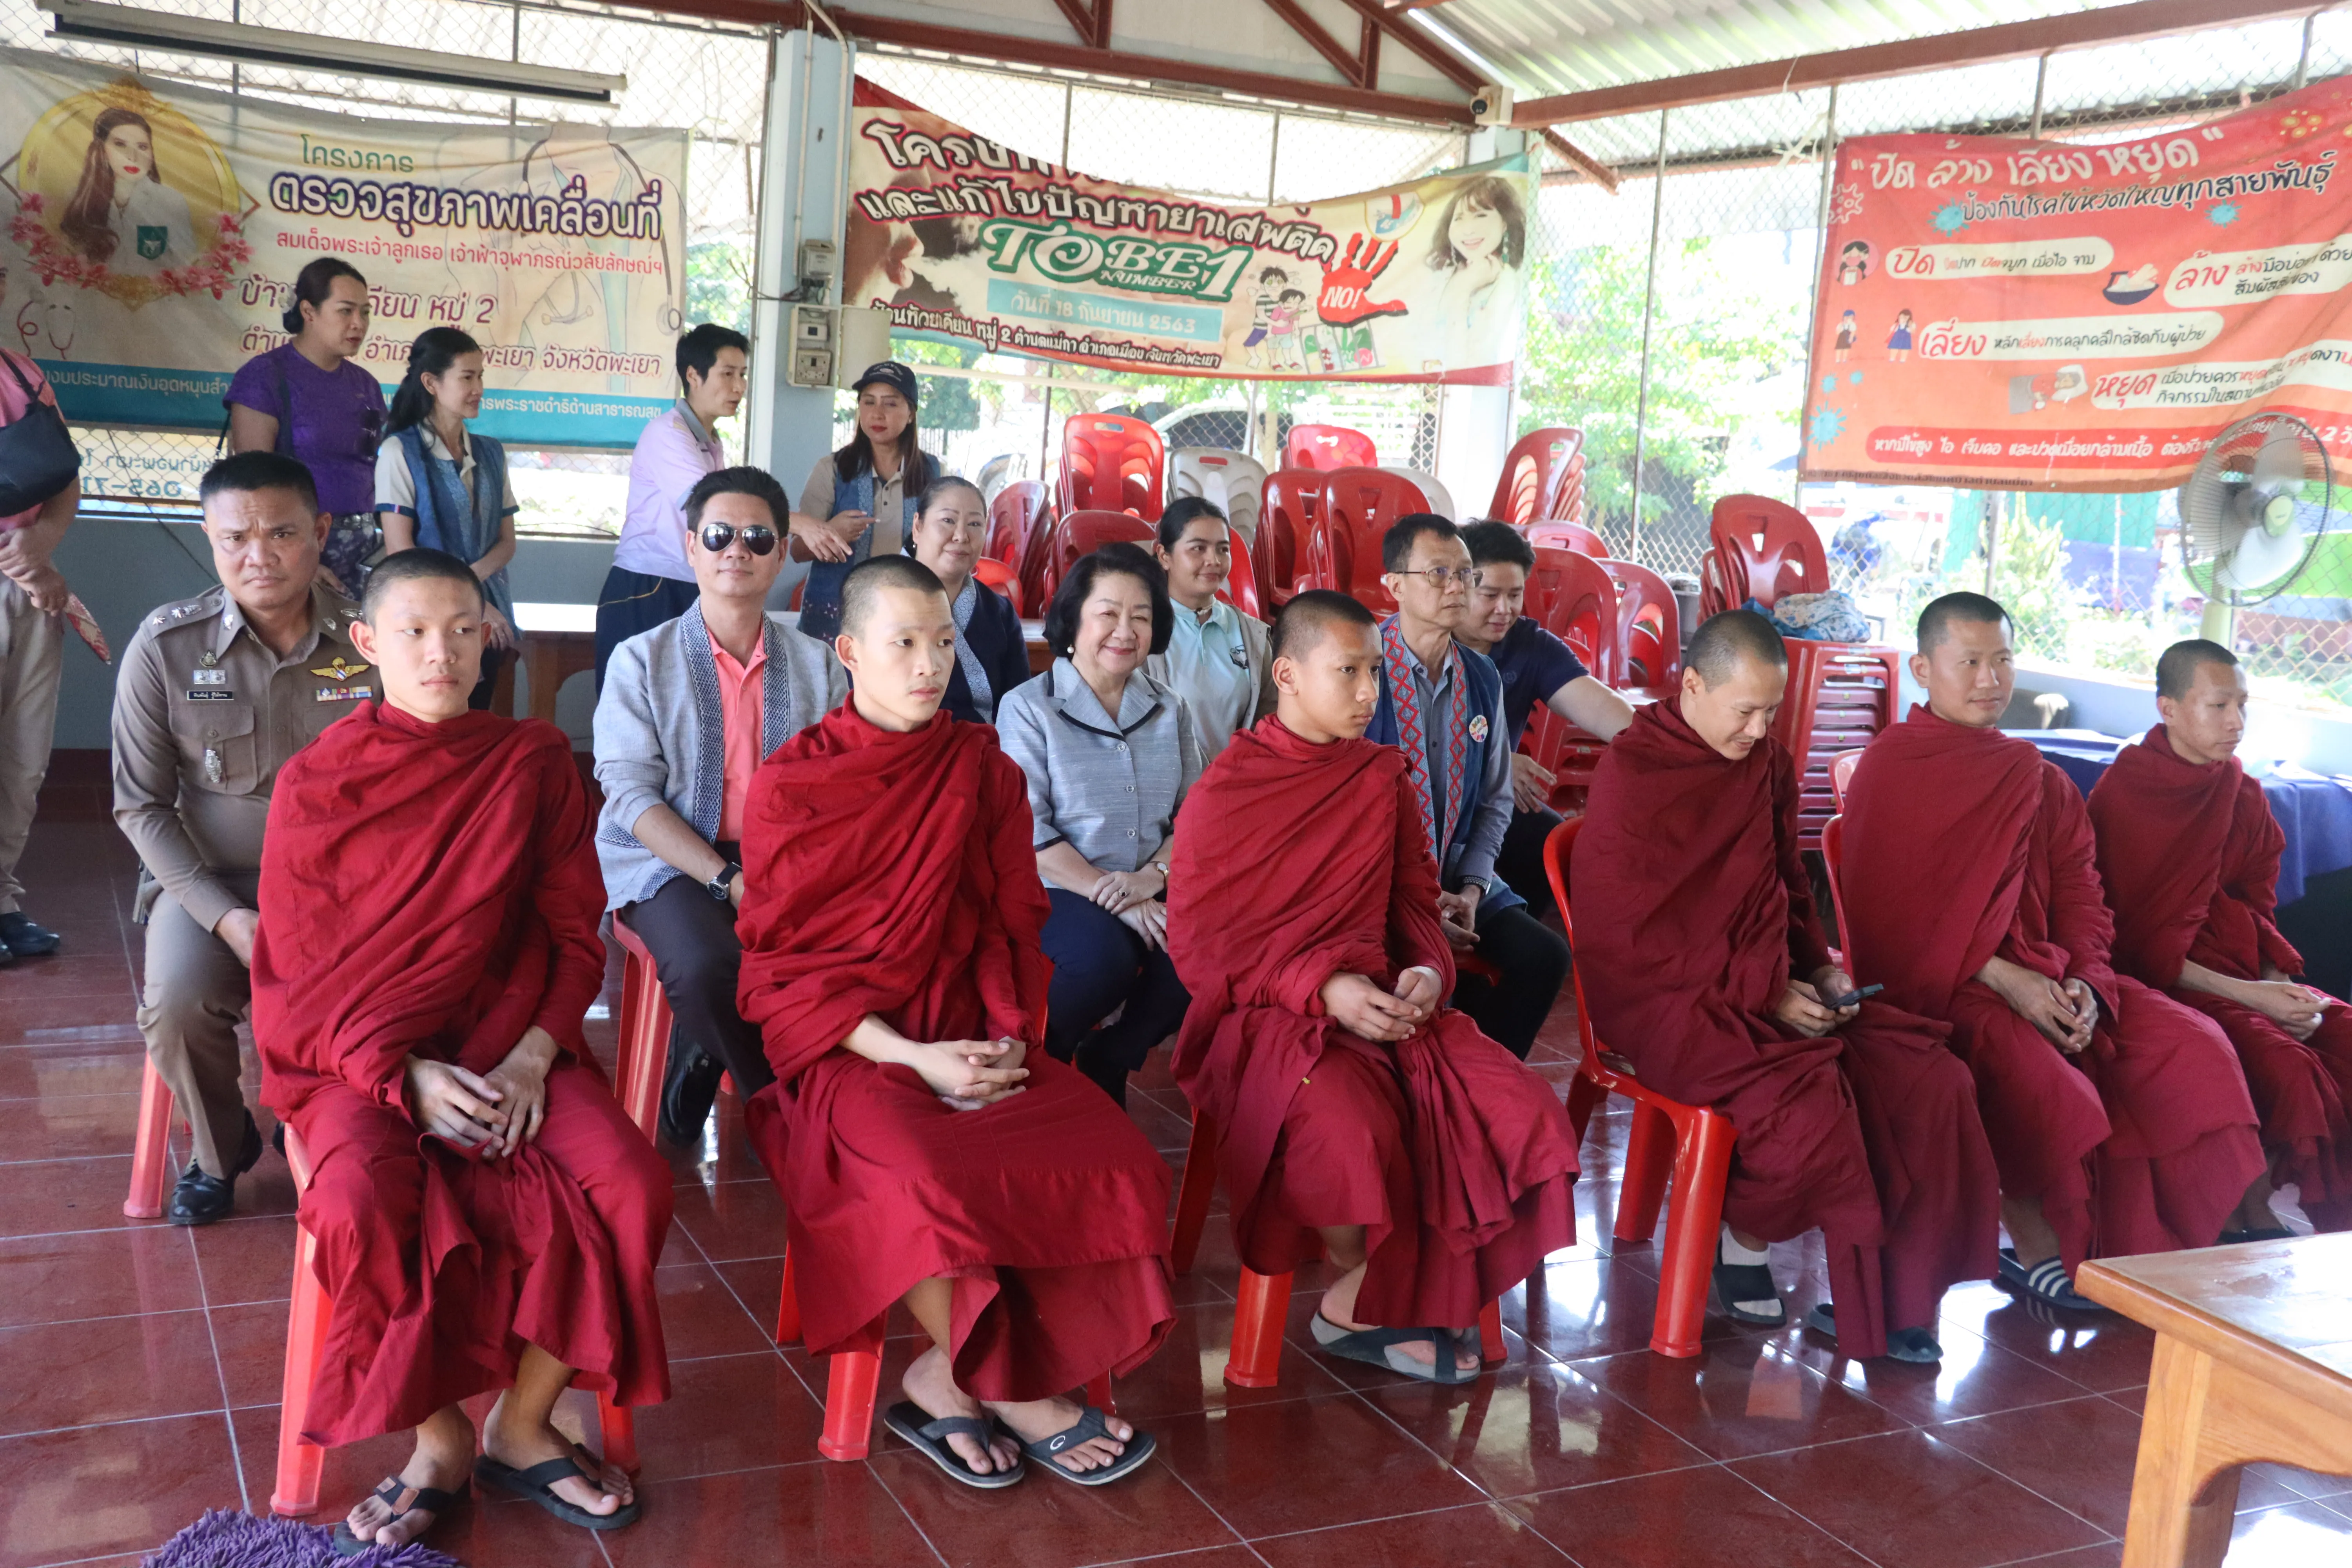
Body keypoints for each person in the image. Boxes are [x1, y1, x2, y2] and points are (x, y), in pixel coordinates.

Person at [253, 548, 669, 1552]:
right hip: (360, 1060)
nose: (441, 651)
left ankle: (521, 1423)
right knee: (357, 1202)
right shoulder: (318, 782)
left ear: (490, 638)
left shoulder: (531, 762)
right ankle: (437, 1438)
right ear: (367, 642)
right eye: (414, 631)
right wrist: (400, 1077)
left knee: (632, 1181)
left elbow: (575, 933)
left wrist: (532, 1056)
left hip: (512, 1043)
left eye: (462, 629)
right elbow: (298, 971)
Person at [735, 554, 1171, 1490]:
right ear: (850, 653)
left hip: (973, 1032)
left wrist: (1008, 1036)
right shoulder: (793, 785)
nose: (930, 664)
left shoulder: (981, 768)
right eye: (903, 643)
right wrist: (915, 1057)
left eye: (942, 640)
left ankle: (944, 1372)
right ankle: (1014, 1386)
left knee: (1114, 1155)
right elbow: (781, 976)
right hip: (853, 1050)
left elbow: (1015, 923)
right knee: (926, 1175)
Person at [1168, 590, 1579, 1383]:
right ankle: (1374, 1295)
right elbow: (1201, 949)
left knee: (1520, 1108)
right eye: (1348, 672)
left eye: (1375, 673)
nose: (1368, 693)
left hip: (1390, 1002)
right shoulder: (1230, 789)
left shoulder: (1378, 775)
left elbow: (1413, 903)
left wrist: (1429, 970)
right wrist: (1323, 989)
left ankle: (1375, 1295)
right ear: (1287, 675)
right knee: (1350, 1127)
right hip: (1269, 1016)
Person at [1573, 612, 1998, 1360]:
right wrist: (1766, 993)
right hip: (1664, 1002)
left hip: (1761, 981)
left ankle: (1897, 1296)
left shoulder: (1765, 763)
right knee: (1811, 1110)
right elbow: (1630, 938)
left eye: (1771, 711)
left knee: (1928, 1078)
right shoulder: (1636, 773)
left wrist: (1819, 967)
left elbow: (1784, 887)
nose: (1759, 729)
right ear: (1692, 685)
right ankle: (1741, 1237)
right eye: (1745, 711)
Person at [1840, 594, 2266, 1308]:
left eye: (2003, 660)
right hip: (1946, 984)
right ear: (1923, 669)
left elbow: (2083, 895)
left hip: (2056, 975)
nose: (1990, 680)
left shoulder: (2038, 777)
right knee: (2045, 1079)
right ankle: (2046, 1246)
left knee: (2195, 1047)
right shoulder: (1895, 767)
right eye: (1970, 662)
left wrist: (2089, 983)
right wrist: (2007, 978)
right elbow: (1886, 917)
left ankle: (2156, 1252)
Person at [112, 453, 379, 1225]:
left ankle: (322, 1124)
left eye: (282, 534)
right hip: (211, 884)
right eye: (235, 538)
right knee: (178, 1001)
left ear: (320, 532)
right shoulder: (166, 646)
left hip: (344, 888)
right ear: (210, 537)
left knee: (379, 993)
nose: (258, 556)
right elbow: (140, 806)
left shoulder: (370, 641)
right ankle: (221, 1149)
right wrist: (226, 918)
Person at [595, 467, 845, 1144]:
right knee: (710, 964)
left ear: (783, 551)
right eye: (719, 535)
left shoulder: (821, 665)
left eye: (758, 538)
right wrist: (727, 880)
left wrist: (790, 874)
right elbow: (630, 796)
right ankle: (791, 1116)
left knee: (844, 951)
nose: (738, 550)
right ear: (691, 547)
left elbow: (835, 786)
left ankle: (707, 1048)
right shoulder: (639, 660)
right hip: (664, 857)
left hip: (783, 857)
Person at [2087, 639, 2351, 1236]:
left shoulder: (2239, 789)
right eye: (2219, 706)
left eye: (2243, 705)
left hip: (2240, 969)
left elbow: (2257, 910)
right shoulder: (2129, 795)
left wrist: (2279, 985)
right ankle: (2242, 1214)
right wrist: (2255, 998)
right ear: (2169, 709)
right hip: (2165, 981)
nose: (2237, 722)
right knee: (2284, 1064)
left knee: (2341, 1032)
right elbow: (2136, 945)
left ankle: (2299, 1218)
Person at [996, 543, 1200, 1104]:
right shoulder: (1028, 706)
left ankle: (1111, 1055)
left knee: (1208, 947)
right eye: (1108, 613)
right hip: (1056, 884)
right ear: (1074, 619)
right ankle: (1043, 1059)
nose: (1125, 631)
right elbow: (1029, 831)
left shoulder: (1170, 708)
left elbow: (1195, 817)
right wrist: (1120, 898)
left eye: (1141, 616)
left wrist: (1153, 878)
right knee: (1104, 959)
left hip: (1150, 878)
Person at [1367, 514, 1569, 1060]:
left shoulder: (1480, 675)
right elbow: (1344, 817)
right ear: (1395, 585)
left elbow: (1496, 800)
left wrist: (1475, 890)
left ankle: (1482, 1088)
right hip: (1378, 885)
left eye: (1464, 574)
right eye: (1439, 573)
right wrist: (1416, 901)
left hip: (1459, 876)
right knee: (1407, 971)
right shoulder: (1364, 668)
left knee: (1544, 958)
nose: (1456, 587)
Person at [1455, 520, 1631, 919]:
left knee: (1556, 847)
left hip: (1492, 806)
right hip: (1426, 809)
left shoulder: (1529, 645)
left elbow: (1603, 709)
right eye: (1490, 595)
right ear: (1457, 586)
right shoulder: (1425, 643)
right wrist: (1497, 763)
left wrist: (1667, 741)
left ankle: (1508, 926)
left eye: (1515, 594)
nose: (1505, 609)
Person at [594, 324, 746, 689]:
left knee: (687, 705)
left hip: (688, 584)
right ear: (693, 375)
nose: (739, 387)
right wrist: (796, 523)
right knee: (633, 703)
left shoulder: (709, 439)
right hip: (650, 586)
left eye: (743, 375)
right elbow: (710, 506)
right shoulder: (668, 432)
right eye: (727, 374)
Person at [225, 258, 386, 596]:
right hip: (291, 552)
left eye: (365, 312)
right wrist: (296, 562)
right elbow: (250, 485)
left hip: (365, 552)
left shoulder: (366, 385)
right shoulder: (266, 377)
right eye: (345, 311)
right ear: (309, 312)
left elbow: (371, 468)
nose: (358, 323)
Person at [376, 327, 517, 711]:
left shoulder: (491, 453)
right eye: (467, 377)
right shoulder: (399, 452)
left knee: (479, 718)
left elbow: (507, 543)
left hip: (489, 614)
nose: (479, 389)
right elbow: (401, 551)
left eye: (481, 376)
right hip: (426, 619)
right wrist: (470, 599)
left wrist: (477, 598)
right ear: (431, 383)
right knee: (428, 718)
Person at [0, 329, 76, 965]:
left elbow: (65, 479)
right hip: (24, 576)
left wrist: (39, 546)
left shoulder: (23, 375)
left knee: (23, 759)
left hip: (29, 591)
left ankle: (2, 900)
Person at [791, 360, 937, 641]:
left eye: (890, 404)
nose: (877, 413)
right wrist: (830, 533)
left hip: (904, 615)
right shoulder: (832, 469)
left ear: (911, 413)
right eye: (869, 402)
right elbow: (797, 551)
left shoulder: (933, 472)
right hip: (835, 619)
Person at [1146, 495, 1274, 760]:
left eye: (1223, 549)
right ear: (1164, 556)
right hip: (1169, 782)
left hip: (1237, 778)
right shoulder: (1142, 631)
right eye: (1198, 548)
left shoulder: (1252, 634)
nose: (1214, 560)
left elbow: (1269, 719)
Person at [902, 475, 1027, 724]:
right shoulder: (879, 601)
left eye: (974, 524)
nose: (961, 536)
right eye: (948, 521)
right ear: (918, 527)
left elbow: (1020, 704)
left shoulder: (999, 611)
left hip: (991, 744)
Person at [60, 108, 197, 274]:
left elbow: (186, 264)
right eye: (120, 145)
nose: (133, 157)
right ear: (101, 150)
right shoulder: (77, 198)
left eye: (142, 147)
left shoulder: (171, 201)